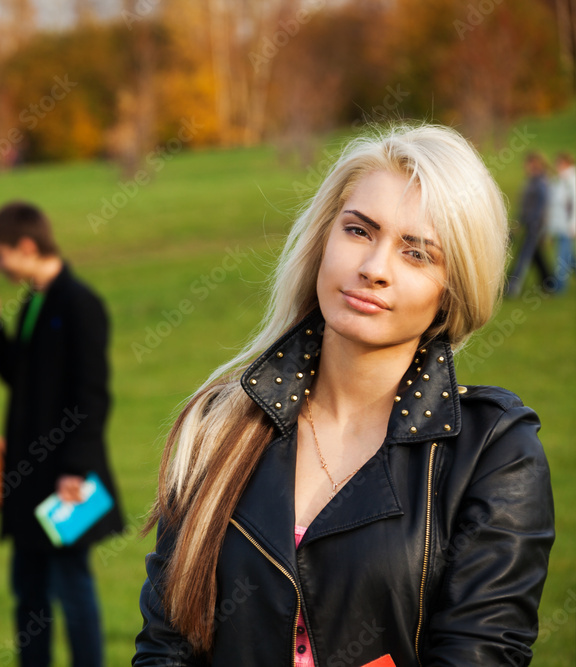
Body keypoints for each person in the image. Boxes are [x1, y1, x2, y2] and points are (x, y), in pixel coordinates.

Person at [133, 125, 555, 666]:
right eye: (359, 231)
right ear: (323, 240)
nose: (374, 269)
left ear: (453, 291)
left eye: (418, 254)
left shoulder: (493, 451)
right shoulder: (219, 426)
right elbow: (165, 648)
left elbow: (482, 653)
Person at [0, 202, 125, 667]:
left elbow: (92, 395)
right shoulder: (35, 302)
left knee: (72, 586)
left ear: (26, 246)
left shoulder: (80, 304)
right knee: (28, 591)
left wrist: (75, 470)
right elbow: (25, 378)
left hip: (64, 479)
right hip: (28, 478)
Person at [506, 152, 553, 296]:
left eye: (528, 164)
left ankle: (512, 288)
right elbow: (525, 206)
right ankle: (550, 283)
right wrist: (518, 222)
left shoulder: (542, 183)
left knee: (524, 256)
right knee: (535, 256)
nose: (525, 167)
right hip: (527, 224)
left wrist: (541, 229)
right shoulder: (531, 181)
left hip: (534, 226)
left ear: (535, 164)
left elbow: (542, 208)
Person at [547, 151, 575, 293]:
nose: (557, 166)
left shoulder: (571, 180)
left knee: (561, 259)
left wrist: (573, 224)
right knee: (568, 258)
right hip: (559, 226)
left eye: (560, 163)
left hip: (567, 228)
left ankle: (559, 289)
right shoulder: (559, 181)